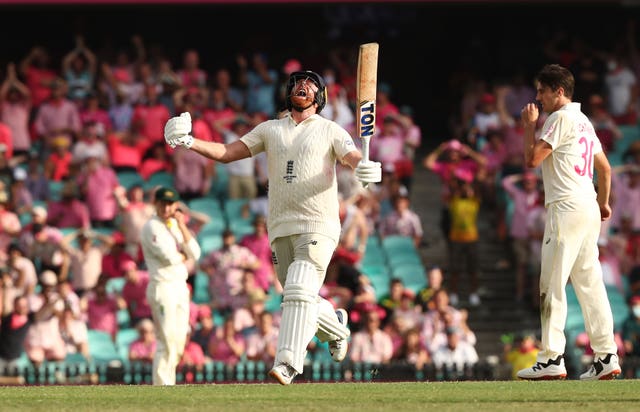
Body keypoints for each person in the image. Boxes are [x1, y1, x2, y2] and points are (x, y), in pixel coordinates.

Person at [163, 70, 382, 385]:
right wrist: (189, 141)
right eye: (297, 82)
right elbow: (227, 153)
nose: (302, 86)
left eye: (310, 84)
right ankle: (336, 325)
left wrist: (363, 165)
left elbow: (351, 156)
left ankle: (287, 363)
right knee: (300, 294)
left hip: (318, 223)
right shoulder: (270, 129)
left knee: (297, 287)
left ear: (320, 97)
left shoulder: (330, 130)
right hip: (280, 226)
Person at [516, 64, 621, 381]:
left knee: (552, 283)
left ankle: (550, 359)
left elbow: (532, 160)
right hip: (587, 206)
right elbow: (605, 169)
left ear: (558, 91)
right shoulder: (584, 120)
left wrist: (528, 127)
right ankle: (606, 355)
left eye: (541, 91)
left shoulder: (558, 119)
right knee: (590, 285)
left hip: (566, 207)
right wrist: (602, 203)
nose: (538, 98)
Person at [140, 186, 201, 386]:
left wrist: (182, 225)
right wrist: (184, 255)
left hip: (180, 287)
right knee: (165, 339)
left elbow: (196, 253)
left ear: (176, 205)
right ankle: (163, 386)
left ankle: (168, 382)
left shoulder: (175, 225)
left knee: (179, 339)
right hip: (162, 286)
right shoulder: (151, 227)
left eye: (170, 204)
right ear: (155, 203)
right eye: (163, 203)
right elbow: (169, 257)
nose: (166, 207)